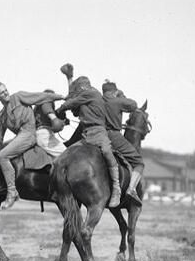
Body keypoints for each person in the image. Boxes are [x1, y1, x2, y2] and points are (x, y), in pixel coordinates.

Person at [0, 82, 64, 208]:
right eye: (1, 92)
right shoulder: (2, 115)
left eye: (5, 89)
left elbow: (42, 96)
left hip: (30, 134)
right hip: (20, 137)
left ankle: (12, 192)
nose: (5, 93)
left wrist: (60, 97)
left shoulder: (19, 97)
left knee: (2, 156)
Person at [55, 76, 121, 208]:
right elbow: (75, 110)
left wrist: (60, 109)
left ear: (83, 87)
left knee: (107, 152)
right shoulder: (87, 98)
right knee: (64, 155)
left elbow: (71, 103)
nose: (79, 92)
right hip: (85, 135)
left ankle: (116, 188)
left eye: (78, 90)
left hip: (98, 132)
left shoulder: (91, 93)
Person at [101, 80, 144, 206]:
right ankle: (131, 189)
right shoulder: (117, 101)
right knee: (139, 162)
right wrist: (121, 96)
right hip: (114, 136)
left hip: (98, 135)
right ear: (114, 92)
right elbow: (134, 105)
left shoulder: (98, 100)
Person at [33, 89, 68, 157]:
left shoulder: (38, 106)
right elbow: (55, 122)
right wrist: (60, 122)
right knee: (67, 155)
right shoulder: (46, 102)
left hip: (41, 134)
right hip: (44, 136)